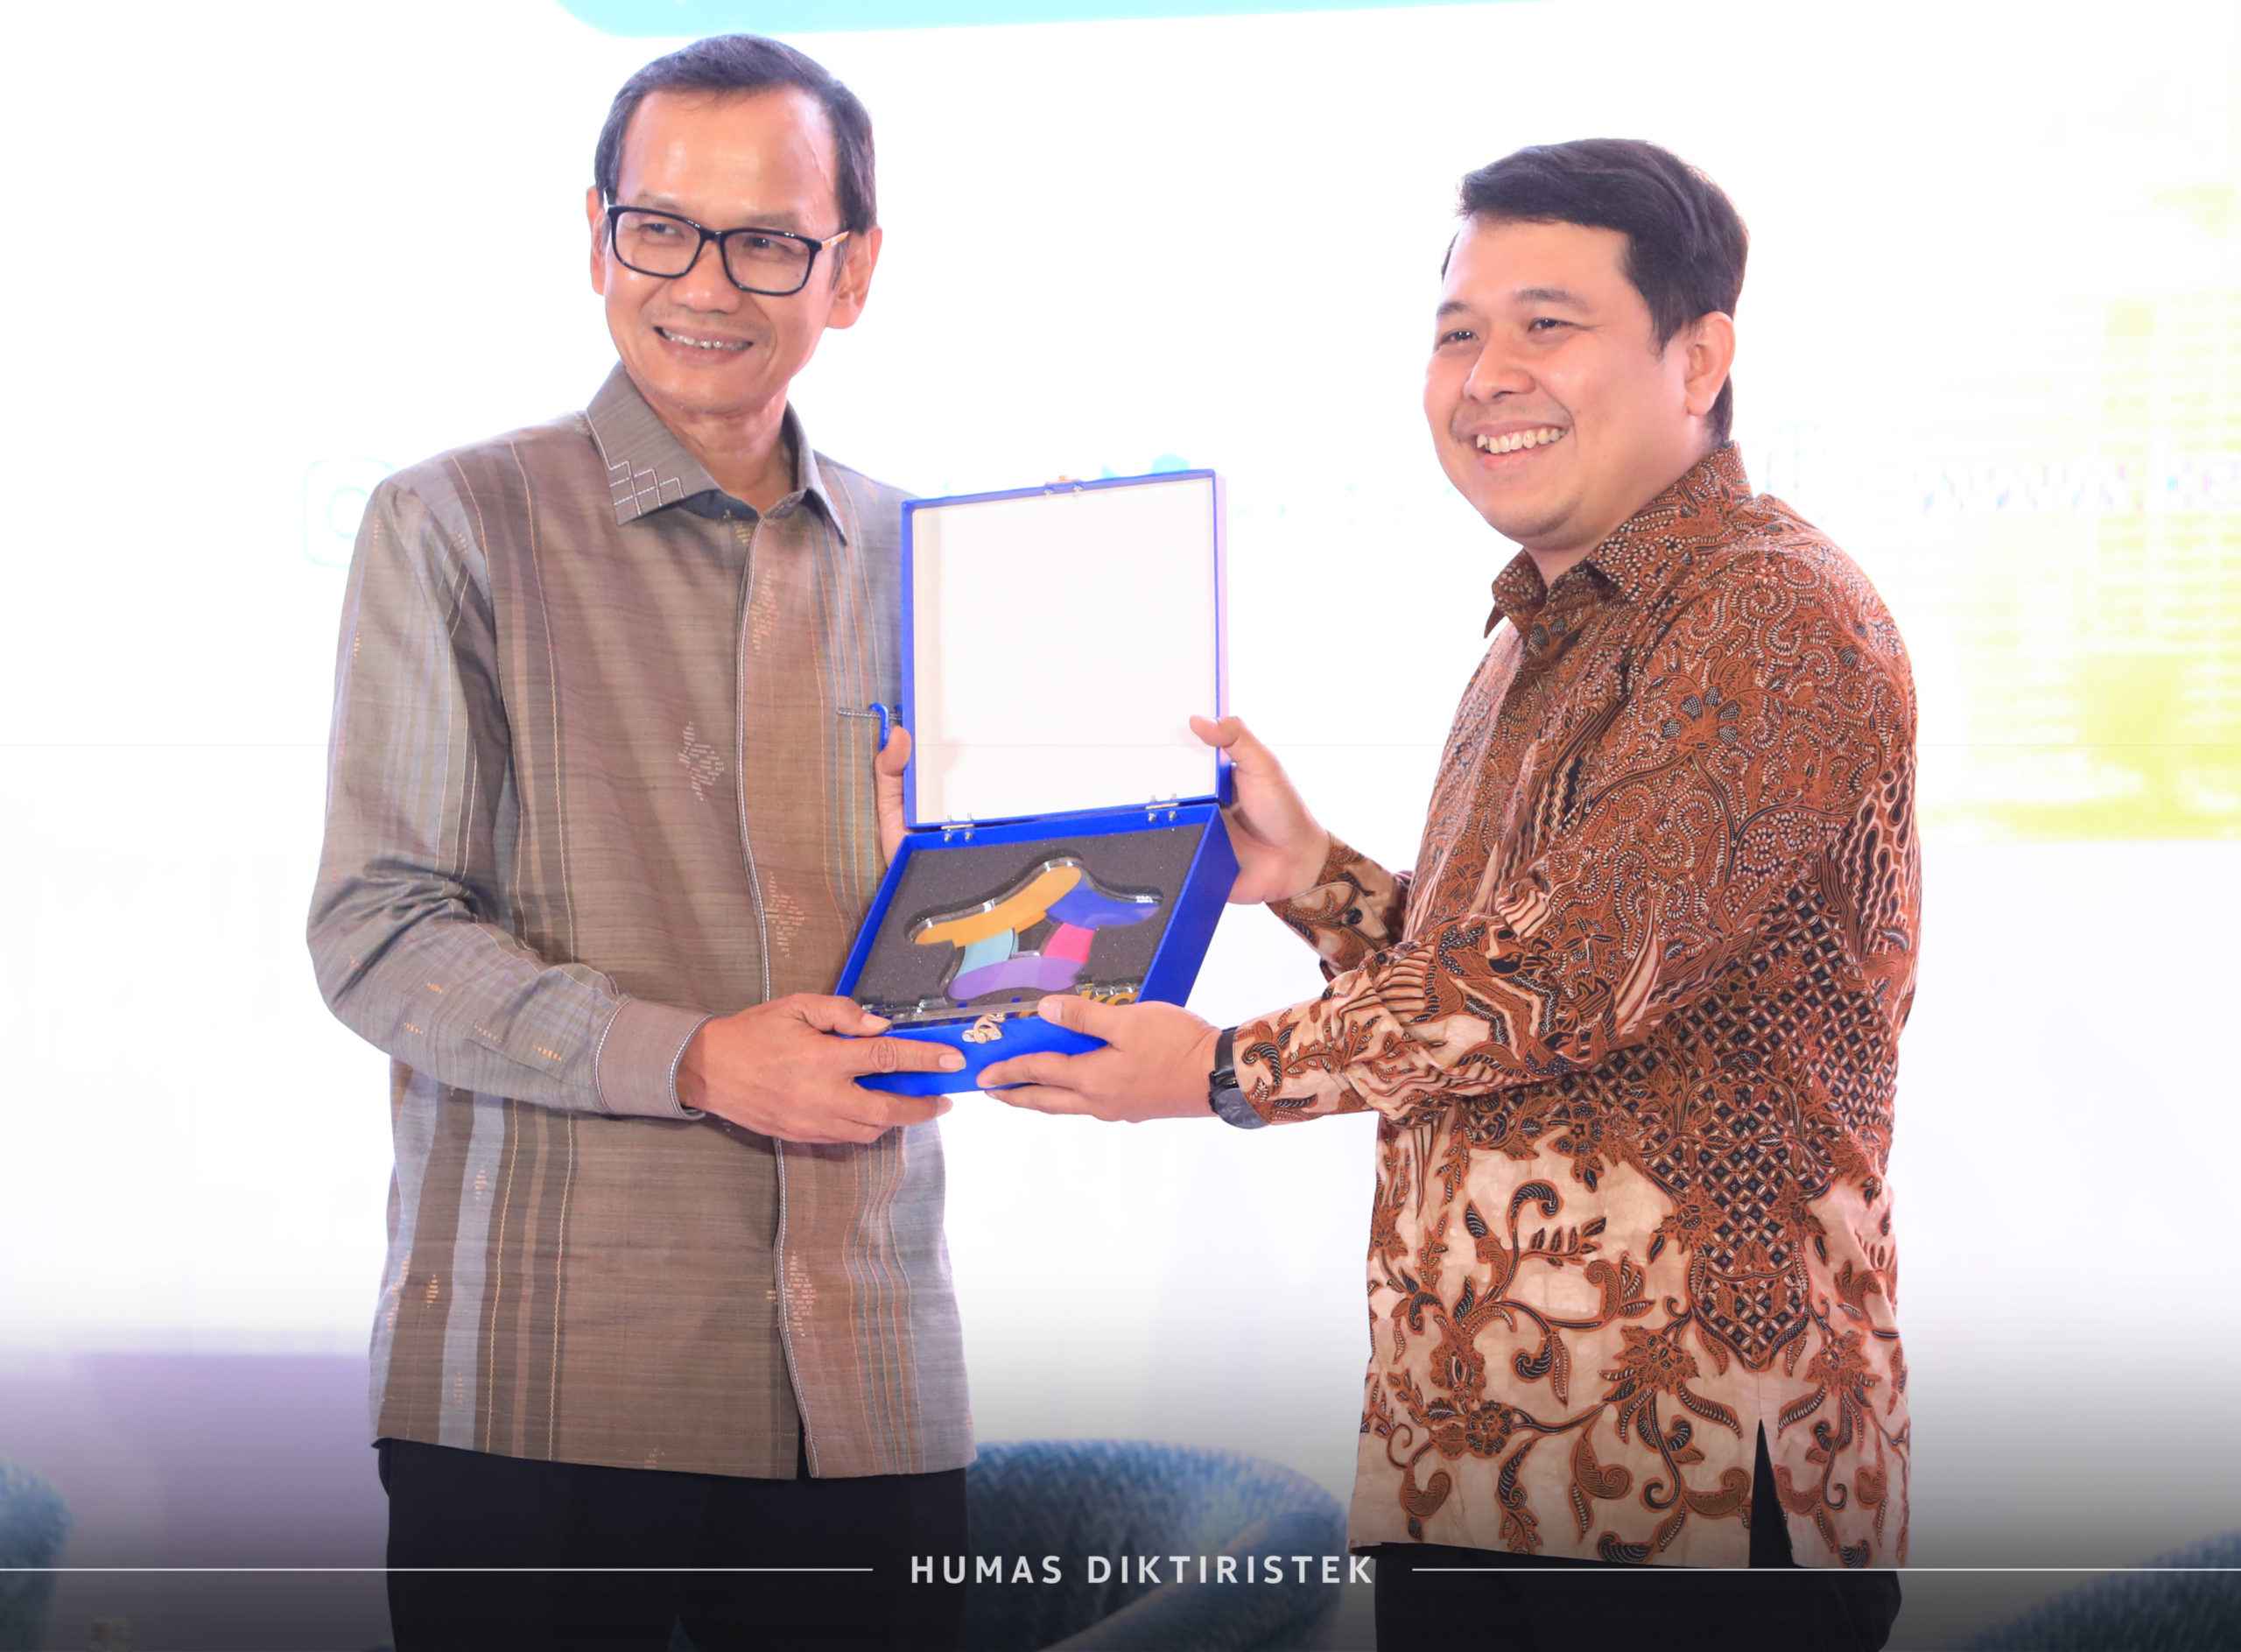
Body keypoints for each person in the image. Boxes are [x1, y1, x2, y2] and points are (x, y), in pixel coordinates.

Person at [976, 139, 1915, 1651]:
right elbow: (1504, 981)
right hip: (1482, 1461)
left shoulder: (1769, 608)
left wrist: (1215, 1070)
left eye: (1548, 324)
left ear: (1699, 358)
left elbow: (1573, 977)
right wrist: (1315, 879)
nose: (1488, 377)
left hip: (1690, 1477)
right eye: (1458, 332)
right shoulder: (1541, 626)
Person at [308, 35, 973, 1652]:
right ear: (598, 238)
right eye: (661, 228)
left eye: (768, 243)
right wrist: (699, 1060)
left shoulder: (938, 562)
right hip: (548, 1379)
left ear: (853, 271)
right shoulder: (453, 524)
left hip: (867, 1383)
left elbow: (994, 959)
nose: (705, 283)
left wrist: (975, 917)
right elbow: (379, 933)